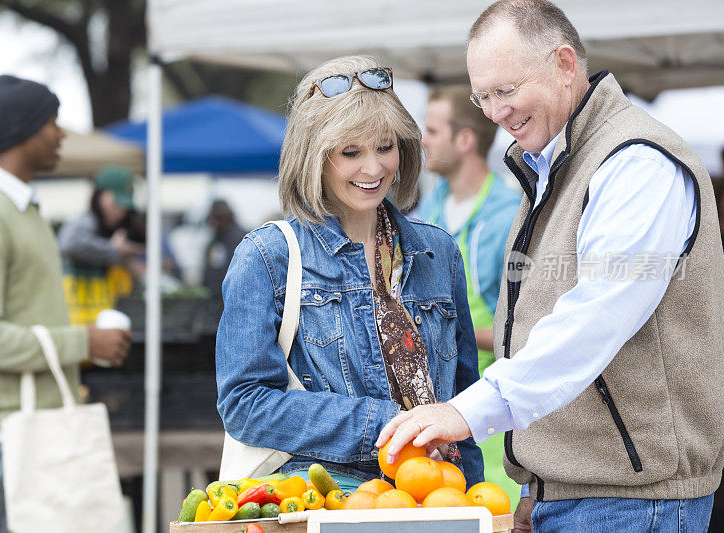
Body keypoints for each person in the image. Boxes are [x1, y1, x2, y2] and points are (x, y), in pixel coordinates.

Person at [378, 1, 724, 531]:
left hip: (633, 501)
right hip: (580, 495)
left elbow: (598, 316)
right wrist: (538, 489)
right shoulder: (554, 162)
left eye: (506, 90)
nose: (494, 112)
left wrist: (468, 412)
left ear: (565, 64)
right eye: (483, 96)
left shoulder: (636, 162)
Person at [215, 55, 484, 491]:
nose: (374, 168)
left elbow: (464, 405)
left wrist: (472, 498)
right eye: (350, 152)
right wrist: (382, 425)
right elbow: (245, 404)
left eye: (385, 146)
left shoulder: (438, 251)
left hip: (435, 498)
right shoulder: (267, 257)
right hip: (327, 499)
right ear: (314, 157)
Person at [0, 74, 132, 533]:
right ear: (25, 130)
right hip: (10, 442)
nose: (61, 133)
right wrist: (82, 341)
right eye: (52, 122)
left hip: (41, 432)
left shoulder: (19, 207)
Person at [415, 84, 521, 509]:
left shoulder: (512, 215)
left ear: (466, 139)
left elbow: (528, 329)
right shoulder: (425, 211)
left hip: (501, 413)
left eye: (433, 130)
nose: (422, 140)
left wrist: (452, 334)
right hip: (440, 410)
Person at [58, 165, 145, 325]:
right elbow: (69, 244)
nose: (121, 211)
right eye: (116, 203)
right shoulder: (84, 223)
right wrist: (114, 250)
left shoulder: (119, 229)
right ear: (100, 195)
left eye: (124, 206)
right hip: (77, 321)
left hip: (105, 320)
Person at [202, 199, 246, 297]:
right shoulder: (217, 237)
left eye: (218, 218)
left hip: (233, 295)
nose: (214, 222)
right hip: (216, 296)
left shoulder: (240, 238)